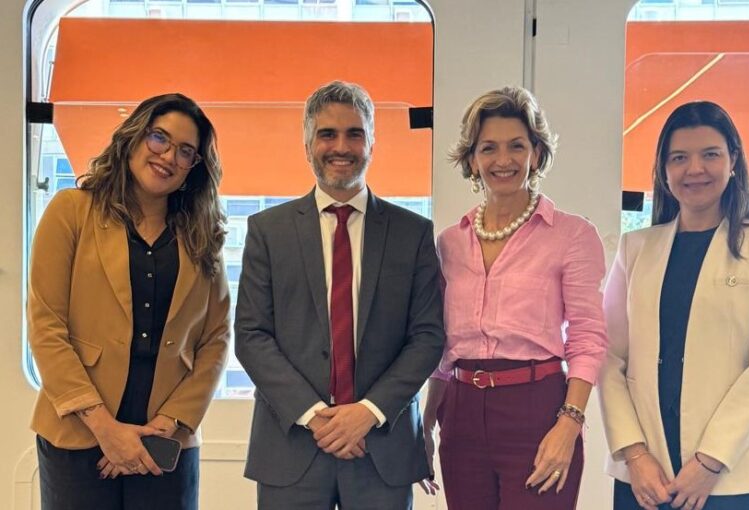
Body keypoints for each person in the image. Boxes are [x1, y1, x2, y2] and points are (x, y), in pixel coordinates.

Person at [234, 80, 445, 510]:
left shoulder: (413, 233)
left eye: (354, 134)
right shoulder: (267, 231)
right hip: (291, 447)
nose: (341, 147)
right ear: (307, 145)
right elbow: (252, 336)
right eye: (327, 134)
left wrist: (368, 411)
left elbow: (427, 337)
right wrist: (316, 417)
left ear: (372, 143)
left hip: (381, 447)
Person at [28, 93, 231, 510]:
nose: (168, 156)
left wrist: (168, 424)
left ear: (194, 167)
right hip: (77, 432)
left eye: (185, 151)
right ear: (134, 137)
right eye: (160, 138)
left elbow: (216, 340)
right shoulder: (71, 211)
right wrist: (106, 429)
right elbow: (46, 327)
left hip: (166, 442)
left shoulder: (203, 235)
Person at [599, 101, 749, 510]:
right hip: (646, 474)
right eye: (679, 158)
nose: (695, 169)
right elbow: (608, 356)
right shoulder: (636, 249)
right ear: (663, 169)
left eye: (710, 154)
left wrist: (709, 462)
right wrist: (634, 455)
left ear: (733, 161)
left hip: (734, 474)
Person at [423, 86, 609, 509]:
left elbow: (587, 338)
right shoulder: (450, 242)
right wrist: (428, 424)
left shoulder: (572, 235)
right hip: (461, 413)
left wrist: (569, 425)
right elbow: (442, 348)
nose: (502, 160)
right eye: (488, 148)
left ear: (536, 154)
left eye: (516, 146)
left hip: (537, 409)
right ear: (472, 159)